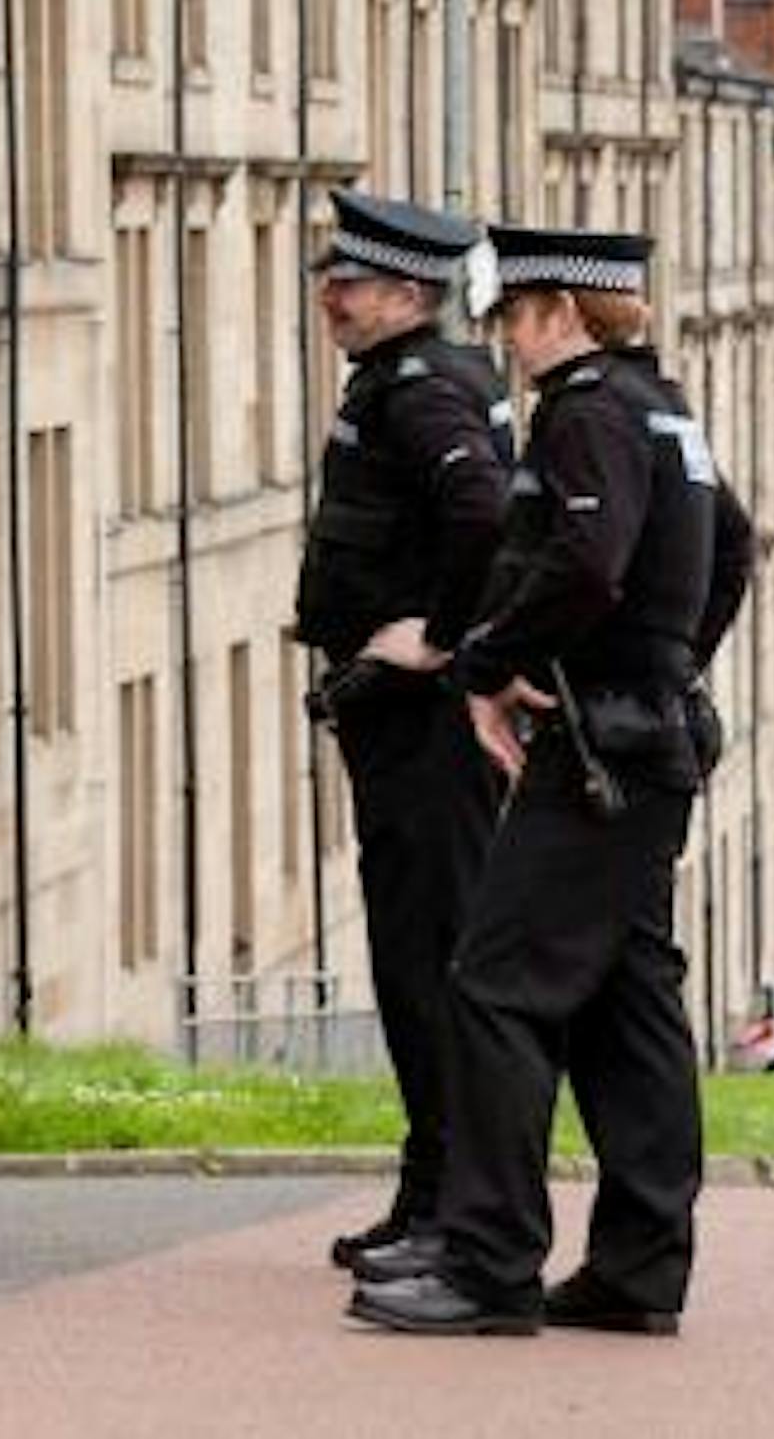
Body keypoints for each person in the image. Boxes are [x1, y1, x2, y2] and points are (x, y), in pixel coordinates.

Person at [347, 225, 754, 1337]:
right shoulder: (665, 407)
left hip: (595, 755)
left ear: (562, 312)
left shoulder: (587, 415)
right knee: (627, 1005)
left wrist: (489, 664)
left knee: (492, 983)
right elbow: (733, 547)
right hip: (646, 738)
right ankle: (636, 1266)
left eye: (516, 315)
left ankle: (487, 1263)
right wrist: (669, 664)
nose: (507, 338)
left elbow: (584, 562)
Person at [294, 189, 513, 1277]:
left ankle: (451, 1208)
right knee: (413, 960)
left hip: (424, 727)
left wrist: (440, 633)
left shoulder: (424, 392)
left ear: (410, 293)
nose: (329, 295)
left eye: (351, 282)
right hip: (401, 727)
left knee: (431, 965)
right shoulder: (409, 381)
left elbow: (483, 510)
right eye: (331, 278)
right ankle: (430, 1189)